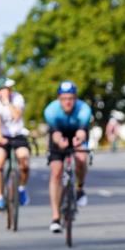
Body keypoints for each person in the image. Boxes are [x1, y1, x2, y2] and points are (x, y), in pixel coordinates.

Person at [44, 80, 93, 233]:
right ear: (59, 98)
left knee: (81, 158)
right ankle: (55, 217)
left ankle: (80, 187)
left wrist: (79, 140)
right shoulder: (51, 111)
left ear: (76, 98)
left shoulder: (83, 109)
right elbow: (55, 134)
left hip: (77, 134)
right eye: (64, 98)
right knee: (56, 172)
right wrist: (59, 142)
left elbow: (82, 131)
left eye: (71, 98)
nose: (68, 102)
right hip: (59, 136)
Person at [0, 77, 31, 211]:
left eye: (10, 89)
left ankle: (21, 188)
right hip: (1, 136)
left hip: (18, 135)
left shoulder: (17, 98)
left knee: (24, 159)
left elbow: (17, 115)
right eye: (6, 89)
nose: (9, 91)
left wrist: (7, 103)